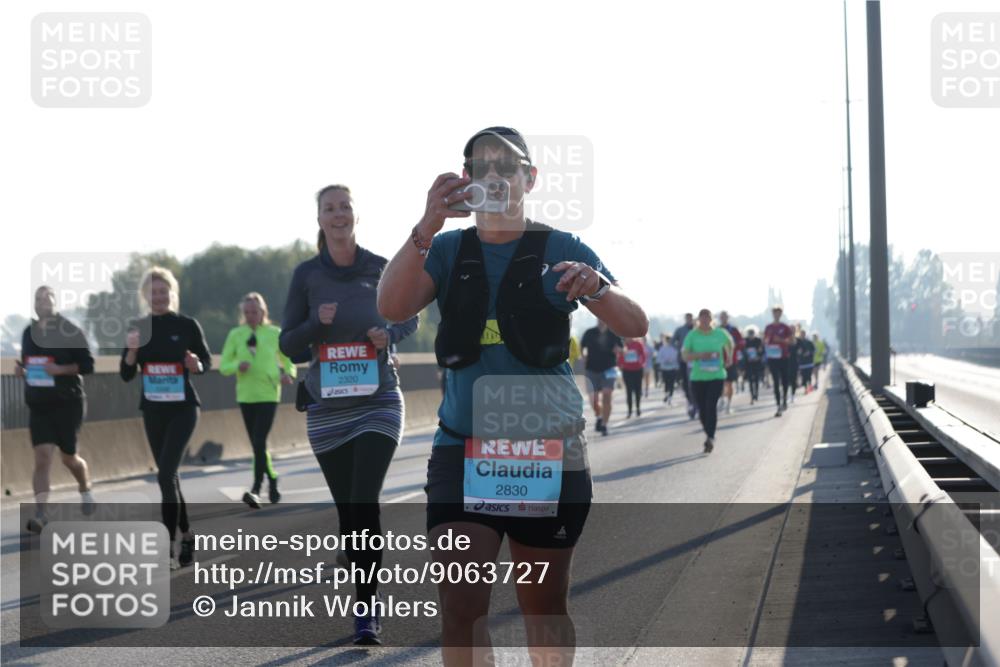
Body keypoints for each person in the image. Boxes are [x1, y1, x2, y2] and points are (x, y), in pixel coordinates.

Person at [377, 126, 647, 666]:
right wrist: (427, 224)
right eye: (480, 166)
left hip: (547, 451)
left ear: (530, 177)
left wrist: (595, 286)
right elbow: (391, 307)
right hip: (463, 448)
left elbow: (633, 324)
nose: (494, 175)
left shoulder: (561, 248)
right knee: (460, 606)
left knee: (542, 605)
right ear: (465, 179)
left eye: (507, 165)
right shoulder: (448, 248)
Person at [279, 184, 418, 645]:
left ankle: (366, 611)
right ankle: (352, 545)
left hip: (378, 400)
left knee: (363, 501)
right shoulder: (306, 276)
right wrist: (316, 322)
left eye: (345, 207)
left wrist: (390, 333)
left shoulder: (380, 267)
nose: (338, 215)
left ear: (356, 216)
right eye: (329, 209)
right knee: (349, 512)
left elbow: (410, 317)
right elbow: (288, 344)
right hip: (327, 409)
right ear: (319, 219)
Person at [120, 267, 212, 569]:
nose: (159, 297)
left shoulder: (186, 325)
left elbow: (206, 362)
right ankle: (188, 535)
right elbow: (125, 374)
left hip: (184, 408)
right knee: (169, 478)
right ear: (146, 296)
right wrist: (132, 353)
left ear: (172, 294)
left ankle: (169, 548)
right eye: (153, 293)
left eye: (164, 292)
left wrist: (196, 363)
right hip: (153, 409)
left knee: (164, 475)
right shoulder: (138, 327)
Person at [16, 286, 95, 533]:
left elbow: (88, 365)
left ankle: (85, 488)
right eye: (37, 298)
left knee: (69, 458)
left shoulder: (69, 330)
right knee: (42, 458)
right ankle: (41, 514)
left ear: (54, 302)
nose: (42, 302)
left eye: (46, 298)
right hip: (39, 404)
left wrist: (61, 370)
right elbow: (32, 365)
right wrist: (23, 372)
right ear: (34, 304)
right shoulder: (28, 333)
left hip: (67, 403)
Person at [220, 292, 296, 508]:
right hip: (246, 395)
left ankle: (255, 488)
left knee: (259, 441)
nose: (250, 316)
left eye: (254, 312)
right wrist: (237, 366)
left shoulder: (274, 333)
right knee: (257, 444)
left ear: (263, 311)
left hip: (269, 393)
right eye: (246, 312)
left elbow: (287, 359)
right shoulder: (236, 334)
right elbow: (224, 365)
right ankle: (272, 478)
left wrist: (288, 374)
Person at [682, 309, 734, 453]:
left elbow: (730, 343)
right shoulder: (692, 335)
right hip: (698, 377)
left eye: (708, 317)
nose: (705, 320)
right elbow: (685, 356)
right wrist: (701, 355)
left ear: (711, 319)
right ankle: (709, 433)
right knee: (702, 410)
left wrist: (729, 356)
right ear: (698, 319)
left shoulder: (720, 333)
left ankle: (710, 437)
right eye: (702, 318)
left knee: (711, 406)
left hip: (717, 376)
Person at [581, 320, 623, 435]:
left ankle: (604, 424)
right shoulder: (589, 332)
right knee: (593, 399)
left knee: (607, 394)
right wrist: (584, 355)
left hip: (609, 369)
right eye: (599, 317)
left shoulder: (614, 333)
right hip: (591, 369)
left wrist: (619, 350)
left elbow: (622, 349)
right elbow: (583, 347)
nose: (601, 320)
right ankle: (599, 416)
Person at [763, 306, 794, 417]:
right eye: (775, 313)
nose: (776, 315)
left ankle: (785, 399)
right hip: (772, 357)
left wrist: (780, 340)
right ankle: (778, 405)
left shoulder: (785, 327)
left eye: (778, 313)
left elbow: (791, 341)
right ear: (773, 314)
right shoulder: (768, 327)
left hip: (783, 357)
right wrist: (766, 342)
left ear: (781, 314)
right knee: (775, 381)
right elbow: (765, 340)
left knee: (784, 380)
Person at [717, 311, 744, 414]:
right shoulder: (717, 330)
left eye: (725, 316)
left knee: (729, 383)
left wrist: (733, 345)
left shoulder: (733, 330)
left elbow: (741, 342)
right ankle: (721, 400)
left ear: (728, 318)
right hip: (718, 361)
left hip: (731, 360)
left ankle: (728, 404)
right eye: (721, 317)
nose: (723, 318)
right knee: (720, 383)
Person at [673, 313, 696, 419]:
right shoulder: (680, 330)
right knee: (686, 383)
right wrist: (679, 349)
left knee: (696, 382)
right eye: (687, 318)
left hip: (697, 360)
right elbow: (673, 341)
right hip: (684, 360)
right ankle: (690, 401)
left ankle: (697, 403)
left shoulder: (697, 330)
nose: (689, 320)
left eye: (690, 318)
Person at [618, 336, 647, 418]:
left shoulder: (638, 344)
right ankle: (630, 410)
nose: (628, 338)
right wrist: (620, 364)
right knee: (629, 391)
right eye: (627, 337)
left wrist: (642, 363)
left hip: (638, 370)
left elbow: (643, 355)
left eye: (630, 336)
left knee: (638, 390)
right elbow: (620, 357)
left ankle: (638, 408)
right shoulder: (623, 346)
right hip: (627, 371)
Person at [742, 327, 765, 404]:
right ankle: (752, 396)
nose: (751, 336)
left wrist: (758, 357)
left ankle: (756, 394)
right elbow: (743, 351)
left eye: (752, 334)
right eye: (749, 334)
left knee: (757, 379)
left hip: (757, 363)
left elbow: (762, 351)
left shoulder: (758, 341)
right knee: (750, 380)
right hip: (749, 363)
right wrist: (747, 358)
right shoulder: (745, 341)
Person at [657, 333, 680, 404]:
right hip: (665, 369)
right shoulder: (662, 349)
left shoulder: (674, 349)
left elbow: (677, 358)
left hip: (673, 368)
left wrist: (672, 360)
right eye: (667, 340)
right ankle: (666, 394)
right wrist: (664, 360)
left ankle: (670, 397)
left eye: (669, 340)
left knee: (672, 383)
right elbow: (659, 359)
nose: (668, 342)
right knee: (666, 383)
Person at [796, 329, 816, 394]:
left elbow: (814, 350)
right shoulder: (797, 343)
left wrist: (809, 353)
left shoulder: (809, 342)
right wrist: (798, 353)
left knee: (809, 375)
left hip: (809, 362)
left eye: (803, 334)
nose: (802, 335)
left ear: (805, 334)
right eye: (801, 334)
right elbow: (795, 351)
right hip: (802, 363)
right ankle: (805, 389)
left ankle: (809, 386)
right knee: (803, 376)